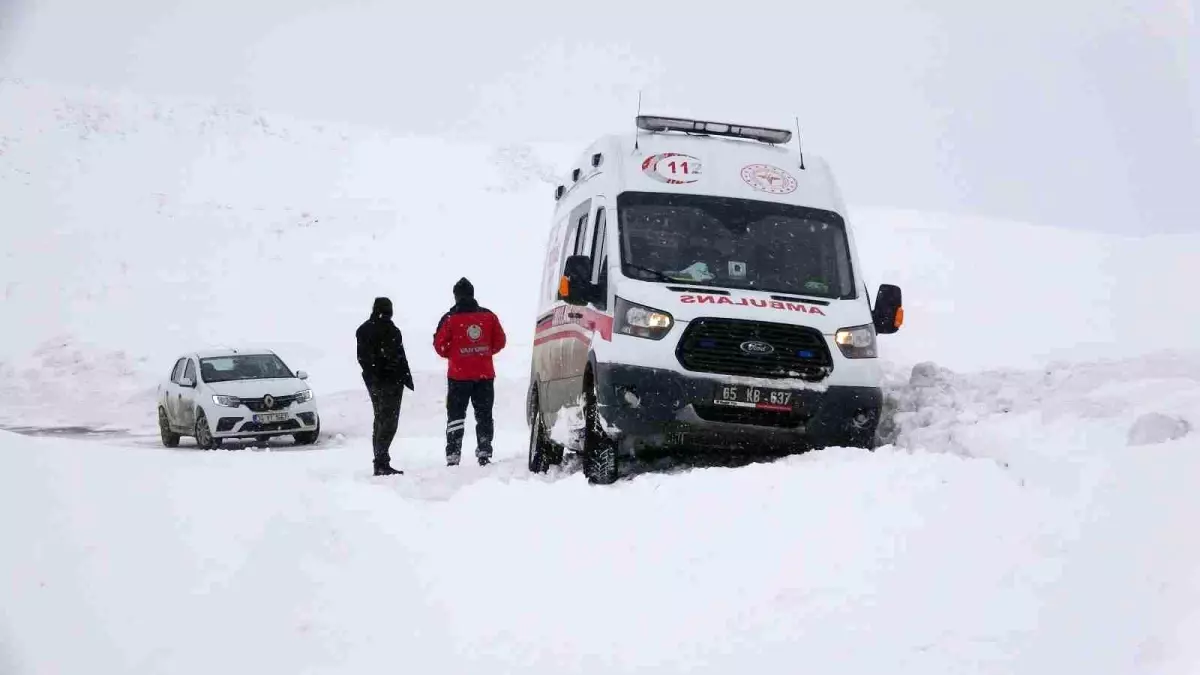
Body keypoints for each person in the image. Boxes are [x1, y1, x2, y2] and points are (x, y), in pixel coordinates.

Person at [433, 278, 506, 466]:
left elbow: (439, 345)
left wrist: (456, 353)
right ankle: (484, 451)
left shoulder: (449, 318)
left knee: (456, 415)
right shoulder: (489, 316)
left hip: (459, 376)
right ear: (472, 294)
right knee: (484, 414)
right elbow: (500, 341)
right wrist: (483, 352)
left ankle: (453, 454)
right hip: (484, 375)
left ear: (456, 296)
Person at [356, 297, 414, 476]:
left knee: (380, 419)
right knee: (388, 422)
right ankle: (381, 461)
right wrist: (397, 375)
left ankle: (380, 460)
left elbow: (364, 359)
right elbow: (397, 357)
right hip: (390, 382)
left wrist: (373, 375)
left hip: (376, 381)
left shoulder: (364, 329)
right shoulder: (391, 330)